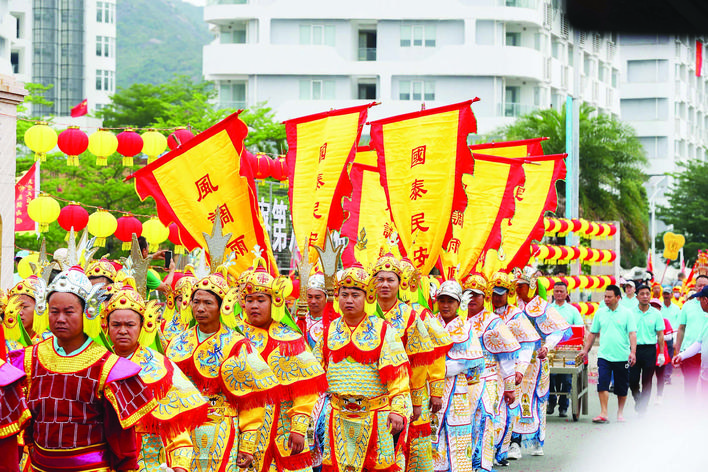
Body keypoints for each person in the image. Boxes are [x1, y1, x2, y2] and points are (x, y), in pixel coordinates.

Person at [9, 266, 158, 471]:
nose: (60, 319)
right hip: (39, 466)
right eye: (54, 311)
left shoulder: (108, 366)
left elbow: (122, 441)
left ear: (87, 312)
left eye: (69, 312)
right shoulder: (28, 359)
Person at [165, 273, 280, 471]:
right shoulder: (177, 343)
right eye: (196, 302)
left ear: (222, 307)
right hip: (183, 432)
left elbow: (253, 398)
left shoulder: (237, 345)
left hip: (222, 427)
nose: (200, 308)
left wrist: (248, 444)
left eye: (208, 303)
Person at [313, 263, 412, 472]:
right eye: (344, 294)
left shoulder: (384, 330)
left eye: (355, 295)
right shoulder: (328, 330)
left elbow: (399, 375)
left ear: (368, 297)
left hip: (376, 415)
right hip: (337, 416)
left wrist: (398, 410)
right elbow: (315, 374)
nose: (348, 300)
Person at [105, 286, 208, 472]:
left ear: (142, 325)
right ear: (106, 326)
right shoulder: (99, 364)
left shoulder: (160, 366)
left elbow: (175, 425)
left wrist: (180, 464)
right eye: (116, 325)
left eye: (129, 325)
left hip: (149, 457)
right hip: (106, 457)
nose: (122, 331)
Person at [239, 263, 327, 472]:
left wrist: (298, 426)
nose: (254, 306)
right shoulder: (233, 337)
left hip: (283, 426)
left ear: (275, 302)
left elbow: (306, 388)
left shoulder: (291, 339)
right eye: (249, 300)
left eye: (261, 300)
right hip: (242, 426)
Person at [373, 254, 435, 472]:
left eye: (390, 280)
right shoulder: (365, 314)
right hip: (370, 392)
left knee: (404, 446)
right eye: (380, 279)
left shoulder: (410, 316)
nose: (384, 285)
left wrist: (417, 400)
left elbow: (419, 363)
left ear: (400, 283)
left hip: (402, 391)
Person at [509, 267, 570, 458]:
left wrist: (547, 346)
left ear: (532, 286)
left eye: (521, 286)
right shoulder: (513, 308)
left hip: (537, 361)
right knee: (515, 399)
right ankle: (514, 443)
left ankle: (537, 439)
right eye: (516, 286)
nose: (517, 289)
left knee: (537, 400)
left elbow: (558, 330)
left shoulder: (542, 307)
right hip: (517, 360)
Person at [463, 273, 520, 472]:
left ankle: (482, 464)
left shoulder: (493, 322)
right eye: (467, 294)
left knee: (485, 419)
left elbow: (506, 358)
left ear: (485, 296)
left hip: (488, 378)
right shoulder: (457, 319)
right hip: (460, 380)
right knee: (463, 421)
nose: (471, 299)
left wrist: (510, 387)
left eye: (476, 295)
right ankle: (463, 462)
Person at [430, 280, 484, 472]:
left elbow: (462, 363)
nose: (445, 305)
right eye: (442, 300)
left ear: (459, 303)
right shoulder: (429, 323)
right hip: (430, 389)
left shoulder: (466, 328)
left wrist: (434, 369)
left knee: (457, 435)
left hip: (456, 391)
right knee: (432, 436)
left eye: (450, 301)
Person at [487, 271, 539, 464]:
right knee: (489, 409)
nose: (497, 297)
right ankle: (487, 450)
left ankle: (509, 446)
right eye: (494, 293)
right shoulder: (484, 313)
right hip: (489, 370)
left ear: (508, 293)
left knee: (510, 408)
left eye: (501, 293)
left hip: (511, 369)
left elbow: (527, 343)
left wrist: (520, 369)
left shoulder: (516, 315)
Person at [581, 285, 637, 423]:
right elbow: (593, 333)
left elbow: (632, 333)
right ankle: (604, 412)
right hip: (604, 355)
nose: (606, 299)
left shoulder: (627, 313)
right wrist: (585, 350)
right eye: (605, 296)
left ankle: (620, 412)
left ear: (618, 298)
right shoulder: (600, 313)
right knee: (602, 383)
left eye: (609, 297)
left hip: (622, 356)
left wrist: (633, 352)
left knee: (621, 387)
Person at [547, 281, 583, 417]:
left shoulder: (572, 310)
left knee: (567, 379)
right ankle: (551, 402)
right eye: (556, 291)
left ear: (567, 293)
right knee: (549, 377)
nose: (559, 294)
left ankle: (563, 406)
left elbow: (579, 328)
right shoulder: (548, 309)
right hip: (551, 350)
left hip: (568, 351)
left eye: (562, 291)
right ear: (553, 293)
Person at [628, 285, 665, 413]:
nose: (645, 296)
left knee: (647, 380)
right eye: (642, 294)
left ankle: (643, 407)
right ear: (637, 296)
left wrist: (661, 353)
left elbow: (660, 335)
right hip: (634, 349)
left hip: (650, 350)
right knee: (632, 380)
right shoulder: (630, 313)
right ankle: (638, 399)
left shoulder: (656, 313)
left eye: (647, 294)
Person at [674, 274, 708, 398]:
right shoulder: (688, 305)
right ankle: (691, 411)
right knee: (690, 384)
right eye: (700, 285)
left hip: (705, 354)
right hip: (690, 352)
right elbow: (681, 329)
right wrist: (679, 352)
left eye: (705, 285)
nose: (702, 288)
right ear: (695, 286)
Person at [658, 286, 680, 388]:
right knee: (661, 355)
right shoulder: (659, 307)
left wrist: (676, 338)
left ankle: (667, 376)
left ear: (671, 295)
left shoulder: (676, 308)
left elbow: (679, 324)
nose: (666, 296)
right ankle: (661, 375)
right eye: (665, 294)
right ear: (663, 295)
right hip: (660, 335)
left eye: (668, 294)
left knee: (669, 356)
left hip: (671, 335)